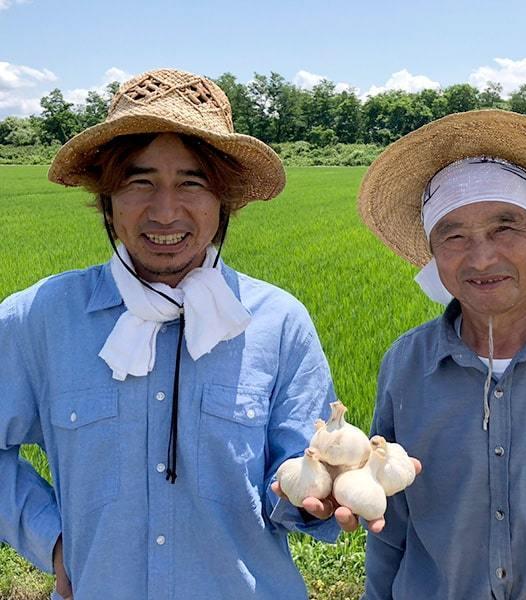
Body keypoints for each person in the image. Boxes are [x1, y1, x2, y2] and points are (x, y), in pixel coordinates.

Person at [0, 68, 340, 600]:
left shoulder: (277, 322)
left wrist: (319, 497)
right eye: (139, 182)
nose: (164, 211)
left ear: (223, 200)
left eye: (192, 182)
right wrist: (53, 539)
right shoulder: (40, 319)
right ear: (107, 201)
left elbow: (303, 474)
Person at [356, 109, 526, 599]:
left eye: (505, 227)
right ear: (432, 250)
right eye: (454, 236)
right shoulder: (405, 366)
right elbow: (390, 526)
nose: (482, 258)